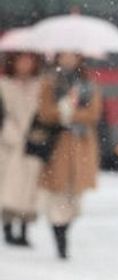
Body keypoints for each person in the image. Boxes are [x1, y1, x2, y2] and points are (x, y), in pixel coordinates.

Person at [38, 52, 102, 260]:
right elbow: (45, 112)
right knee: (57, 196)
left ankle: (63, 229)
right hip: (57, 145)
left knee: (75, 200)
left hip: (81, 146)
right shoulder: (49, 83)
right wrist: (61, 112)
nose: (68, 59)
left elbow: (93, 114)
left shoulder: (88, 84)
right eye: (64, 55)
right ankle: (60, 239)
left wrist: (70, 114)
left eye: (72, 55)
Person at [0, 52, 42, 246]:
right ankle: (8, 228)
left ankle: (25, 229)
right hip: (9, 144)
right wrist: (13, 135)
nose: (25, 64)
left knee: (29, 188)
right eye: (21, 60)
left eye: (29, 60)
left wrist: (37, 133)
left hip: (33, 144)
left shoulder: (41, 86)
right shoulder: (4, 85)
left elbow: (44, 113)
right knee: (8, 187)